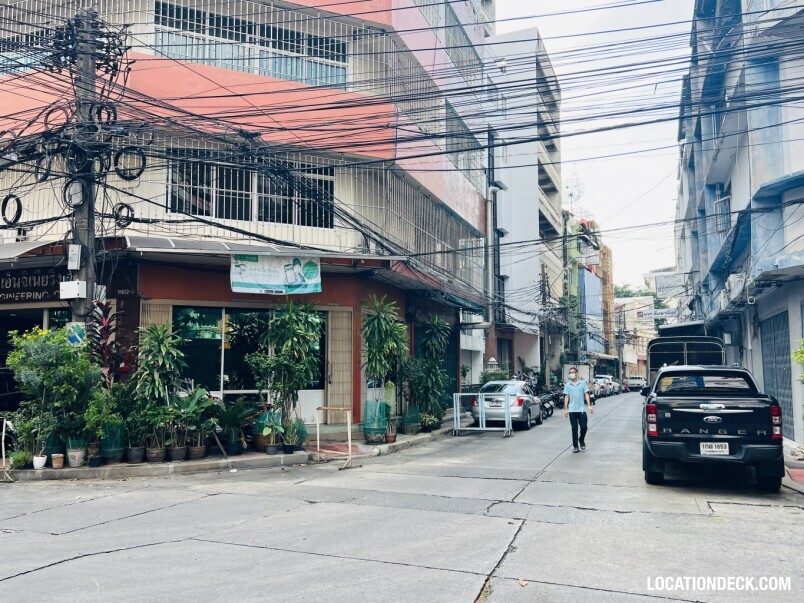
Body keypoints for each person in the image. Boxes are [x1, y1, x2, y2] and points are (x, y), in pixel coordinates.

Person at [563, 367, 594, 453]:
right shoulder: (567, 385)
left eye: (573, 372)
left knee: (584, 427)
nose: (571, 374)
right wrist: (565, 409)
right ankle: (575, 446)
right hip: (572, 411)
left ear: (577, 373)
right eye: (570, 372)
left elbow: (586, 394)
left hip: (581, 410)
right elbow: (566, 397)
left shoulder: (582, 383)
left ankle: (581, 439)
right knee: (574, 428)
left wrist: (589, 406)